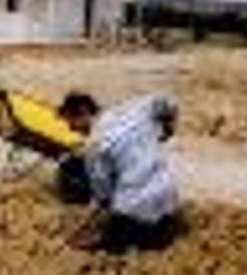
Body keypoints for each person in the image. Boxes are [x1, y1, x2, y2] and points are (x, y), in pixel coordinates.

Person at [57, 92, 181, 254]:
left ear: (84, 112)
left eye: (72, 123)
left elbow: (104, 195)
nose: (72, 130)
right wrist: (169, 128)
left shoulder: (95, 146)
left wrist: (93, 213)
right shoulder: (134, 109)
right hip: (170, 205)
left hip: (139, 217)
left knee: (111, 240)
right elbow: (168, 102)